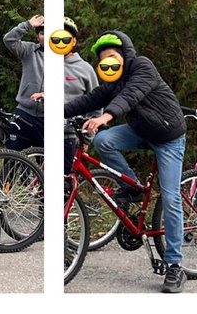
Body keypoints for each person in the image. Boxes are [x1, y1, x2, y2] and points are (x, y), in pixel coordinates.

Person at [65, 32, 189, 293]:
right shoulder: (114, 80)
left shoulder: (142, 66)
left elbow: (131, 96)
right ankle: (133, 186)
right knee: (105, 142)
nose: (109, 63)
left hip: (168, 136)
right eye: (104, 61)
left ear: (125, 54)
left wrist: (105, 117)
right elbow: (90, 99)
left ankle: (175, 265)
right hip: (142, 131)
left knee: (170, 197)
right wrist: (53, 106)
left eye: (112, 57)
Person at [50, 19, 95, 174]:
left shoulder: (85, 69)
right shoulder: (44, 64)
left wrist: (87, 138)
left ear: (74, 41)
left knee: (65, 181)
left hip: (70, 134)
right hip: (43, 130)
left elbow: (97, 104)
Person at [3, 14, 45, 152]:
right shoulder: (30, 50)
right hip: (24, 112)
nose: (46, 37)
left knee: (43, 162)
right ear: (38, 36)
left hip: (47, 117)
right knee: (13, 157)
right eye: (42, 33)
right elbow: (9, 40)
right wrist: (27, 25)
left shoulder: (65, 59)